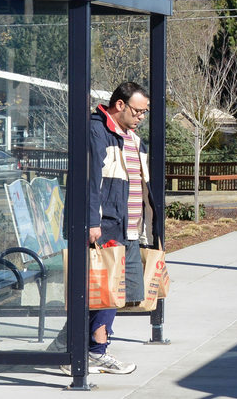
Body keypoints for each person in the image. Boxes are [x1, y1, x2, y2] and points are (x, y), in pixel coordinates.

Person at [68, 82, 155, 375]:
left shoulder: (131, 138)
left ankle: (84, 349)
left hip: (127, 227)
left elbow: (140, 185)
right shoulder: (97, 131)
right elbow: (90, 181)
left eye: (144, 112)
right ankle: (92, 350)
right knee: (100, 290)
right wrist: (92, 222)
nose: (141, 116)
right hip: (104, 225)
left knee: (113, 292)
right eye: (138, 111)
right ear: (120, 105)